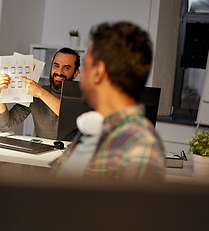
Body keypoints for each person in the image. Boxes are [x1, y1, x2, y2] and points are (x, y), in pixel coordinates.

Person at [50, 21, 166, 181]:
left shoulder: (139, 147)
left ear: (98, 72)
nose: (81, 76)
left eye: (85, 67)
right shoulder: (95, 132)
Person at [0, 48, 80, 139]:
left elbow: (69, 117)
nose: (59, 72)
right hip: (43, 151)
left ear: (75, 73)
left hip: (72, 152)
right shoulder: (36, 92)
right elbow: (7, 123)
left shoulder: (83, 95)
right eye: (56, 66)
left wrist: (41, 93)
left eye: (66, 68)